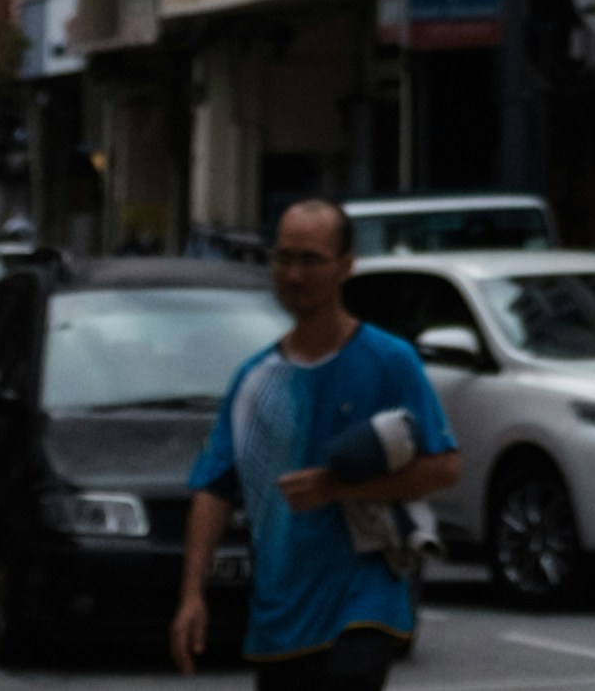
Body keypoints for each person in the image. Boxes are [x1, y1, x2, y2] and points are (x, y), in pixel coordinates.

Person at [171, 201, 458, 691]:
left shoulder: (390, 361)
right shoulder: (255, 380)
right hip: (281, 614)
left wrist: (338, 486)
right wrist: (192, 595)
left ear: (346, 265)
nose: (294, 274)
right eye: (283, 259)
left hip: (363, 603)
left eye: (310, 260)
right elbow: (214, 489)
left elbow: (444, 467)